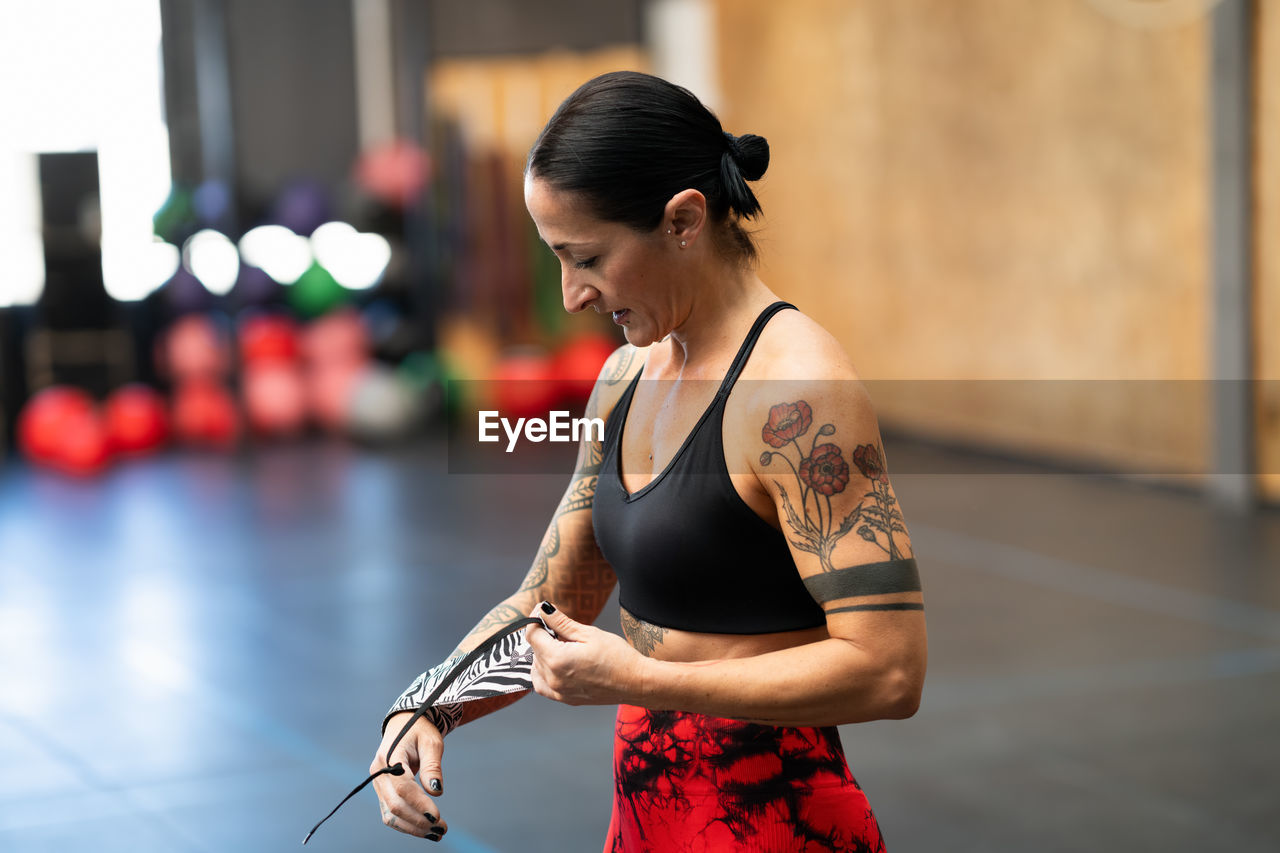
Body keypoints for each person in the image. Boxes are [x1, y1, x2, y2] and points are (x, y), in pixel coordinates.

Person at [371, 70, 927, 851]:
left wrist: (641, 677)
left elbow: (890, 670)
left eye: (587, 258)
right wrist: (425, 704)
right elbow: (549, 600)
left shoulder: (798, 393)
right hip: (647, 815)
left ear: (683, 221)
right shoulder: (625, 377)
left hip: (775, 821)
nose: (571, 296)